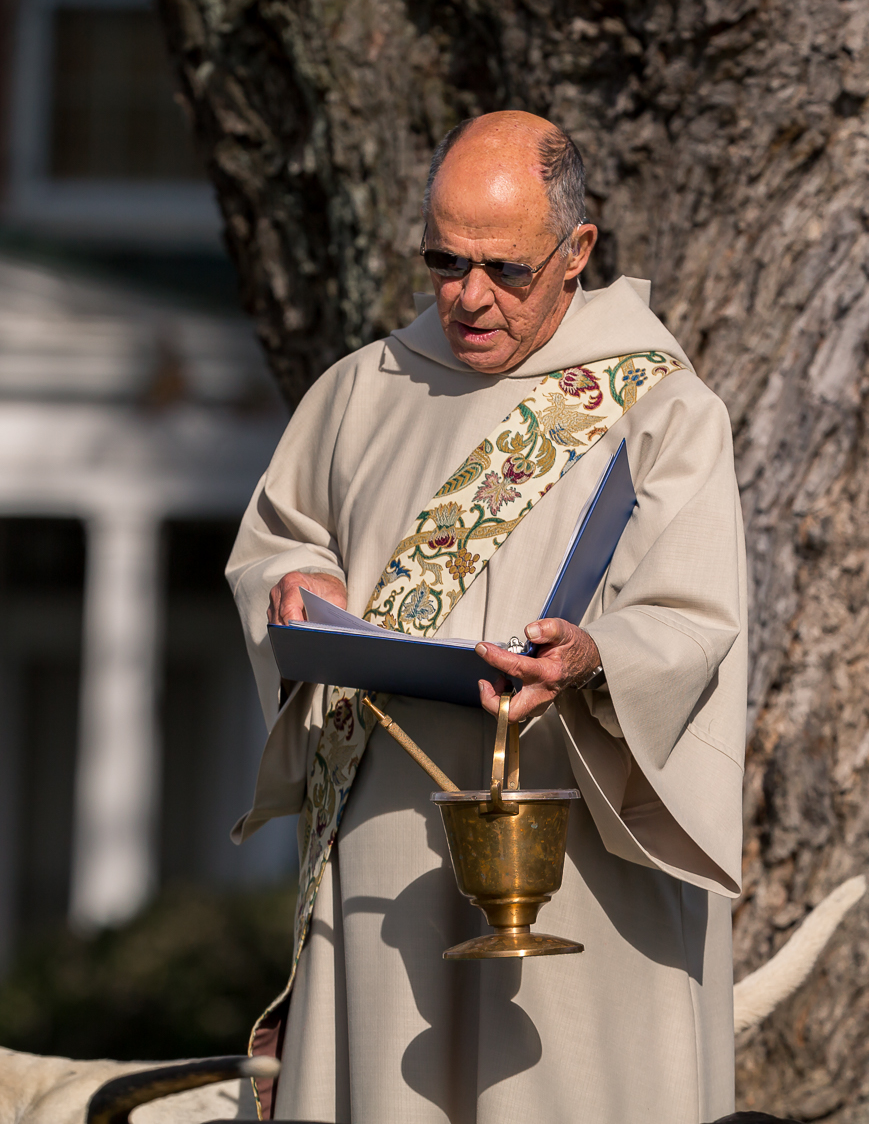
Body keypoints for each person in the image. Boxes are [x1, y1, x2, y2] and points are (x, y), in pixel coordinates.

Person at [225, 110, 749, 1123]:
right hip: (384, 840)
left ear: (576, 252)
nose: (466, 297)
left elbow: (691, 619)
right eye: (443, 261)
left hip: (573, 845)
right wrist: (293, 589)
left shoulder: (661, 409)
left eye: (502, 268)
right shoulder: (356, 394)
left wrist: (593, 655)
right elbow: (280, 542)